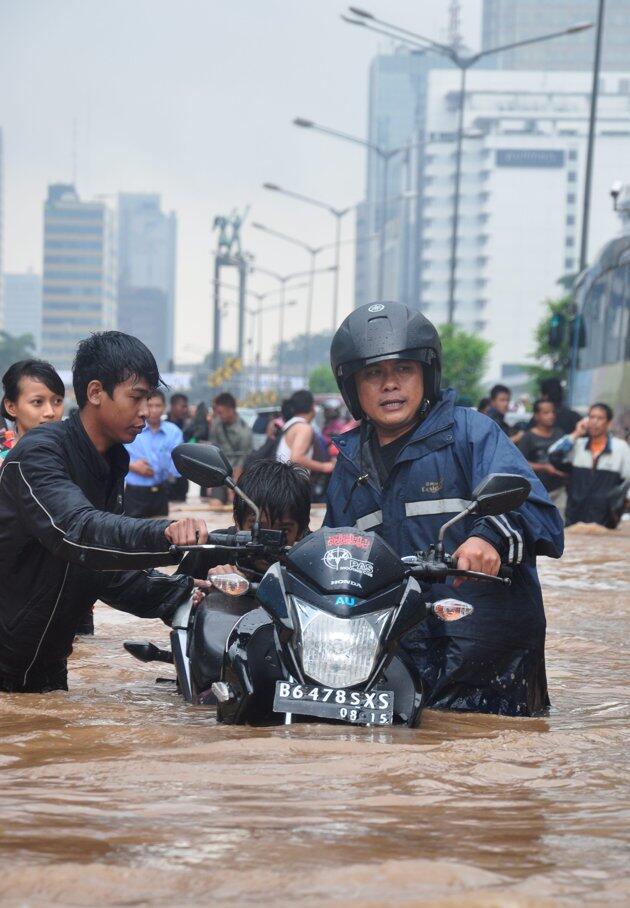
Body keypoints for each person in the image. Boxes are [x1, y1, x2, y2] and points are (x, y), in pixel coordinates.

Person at [326, 301, 564, 717]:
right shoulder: (348, 469)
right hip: (396, 662)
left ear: (426, 374)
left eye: (403, 369)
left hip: (487, 656)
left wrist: (486, 536)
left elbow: (543, 518)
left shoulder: (472, 434)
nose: (390, 385)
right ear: (352, 387)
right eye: (373, 373)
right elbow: (333, 559)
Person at [0, 331, 208, 693]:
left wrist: (181, 593)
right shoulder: (38, 454)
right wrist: (164, 533)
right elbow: (77, 532)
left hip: (45, 666)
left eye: (150, 399)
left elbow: (104, 570)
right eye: (137, 397)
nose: (146, 411)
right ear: (96, 393)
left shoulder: (112, 462)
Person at [180, 458, 311, 589]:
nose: (267, 546)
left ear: (301, 531)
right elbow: (171, 596)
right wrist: (204, 592)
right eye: (256, 530)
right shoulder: (215, 550)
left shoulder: (315, 558)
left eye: (283, 531)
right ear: (238, 521)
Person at [549, 402, 630, 528]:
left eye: (600, 418)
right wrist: (575, 434)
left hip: (606, 518)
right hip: (575, 515)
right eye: (591, 417)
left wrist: (621, 507)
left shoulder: (620, 448)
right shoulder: (578, 445)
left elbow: (628, 479)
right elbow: (553, 455)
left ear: (608, 423)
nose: (594, 422)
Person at [124, 389, 184, 517]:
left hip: (160, 492)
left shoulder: (174, 432)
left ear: (164, 407)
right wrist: (133, 466)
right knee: (132, 533)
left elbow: (178, 465)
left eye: (158, 406)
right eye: (150, 406)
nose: (154, 410)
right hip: (134, 494)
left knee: (161, 532)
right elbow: (112, 456)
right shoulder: (130, 428)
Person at [1, 359, 65, 464]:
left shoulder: (77, 454)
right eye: (38, 402)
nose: (50, 412)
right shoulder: (4, 461)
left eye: (57, 401)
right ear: (11, 407)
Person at [276, 390, 335, 482]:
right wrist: (324, 467)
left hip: (284, 481)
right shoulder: (303, 428)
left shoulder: (291, 424)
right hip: (292, 484)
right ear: (312, 407)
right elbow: (296, 458)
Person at [207, 392, 253, 509]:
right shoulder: (216, 425)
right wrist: (209, 482)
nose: (218, 415)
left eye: (220, 412)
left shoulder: (244, 431)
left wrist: (233, 487)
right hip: (218, 474)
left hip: (238, 476)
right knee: (214, 506)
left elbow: (242, 461)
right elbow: (212, 451)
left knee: (235, 508)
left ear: (231, 410)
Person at [517, 399, 567, 507]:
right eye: (546, 413)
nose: (551, 416)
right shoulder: (528, 437)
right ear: (536, 416)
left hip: (558, 489)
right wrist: (543, 467)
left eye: (553, 412)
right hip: (536, 491)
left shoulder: (560, 433)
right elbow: (519, 462)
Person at [166, 393, 191, 503]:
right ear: (172, 406)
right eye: (182, 406)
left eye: (186, 406)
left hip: (182, 477)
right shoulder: (164, 427)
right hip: (166, 479)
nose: (185, 409)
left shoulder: (189, 427)